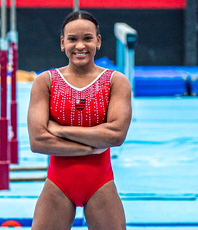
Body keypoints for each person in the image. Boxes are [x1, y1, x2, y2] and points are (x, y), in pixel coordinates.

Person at [27, 10, 132, 230]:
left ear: (98, 41)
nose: (80, 46)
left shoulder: (116, 82)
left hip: (100, 183)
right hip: (58, 183)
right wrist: (91, 147)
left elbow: (115, 136)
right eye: (73, 39)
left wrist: (60, 130)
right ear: (63, 43)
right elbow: (38, 142)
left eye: (87, 38)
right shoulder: (45, 82)